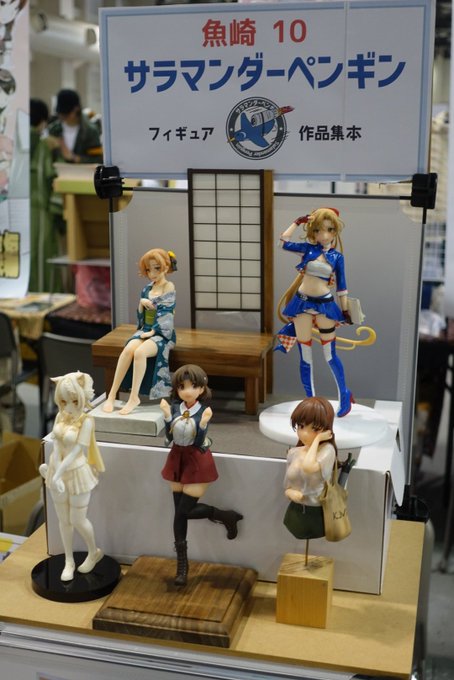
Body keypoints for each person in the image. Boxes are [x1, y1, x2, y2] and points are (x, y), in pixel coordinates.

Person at [160, 364, 243, 586]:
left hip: (196, 459)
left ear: (201, 388)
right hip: (176, 459)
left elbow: (197, 441)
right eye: (182, 387)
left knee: (182, 512)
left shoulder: (203, 410)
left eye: (193, 386)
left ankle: (224, 516)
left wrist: (204, 423)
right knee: (179, 514)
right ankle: (182, 566)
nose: (187, 391)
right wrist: (167, 416)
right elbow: (170, 436)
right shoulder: (175, 408)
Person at [276, 207, 354, 417]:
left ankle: (344, 395)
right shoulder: (307, 249)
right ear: (313, 231)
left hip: (325, 306)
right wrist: (296, 222)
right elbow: (282, 242)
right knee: (306, 355)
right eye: (318, 230)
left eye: (329, 230)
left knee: (330, 355)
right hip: (302, 304)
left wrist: (345, 310)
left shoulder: (337, 257)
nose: (324, 235)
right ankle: (310, 402)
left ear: (335, 231)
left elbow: (342, 287)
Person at [39, 371, 105, 582]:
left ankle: (93, 551)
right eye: (64, 401)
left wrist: (58, 473)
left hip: (77, 473)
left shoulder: (87, 421)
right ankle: (69, 560)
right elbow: (57, 444)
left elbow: (77, 450)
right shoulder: (60, 416)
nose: (68, 406)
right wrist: (55, 469)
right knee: (64, 520)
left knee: (77, 519)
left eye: (74, 401)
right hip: (56, 470)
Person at [102, 248, 177, 415]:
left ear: (165, 267)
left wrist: (153, 332)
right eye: (149, 270)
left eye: (156, 268)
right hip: (146, 328)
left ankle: (133, 397)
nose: (152, 274)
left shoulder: (169, 286)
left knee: (140, 353)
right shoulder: (147, 288)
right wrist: (141, 303)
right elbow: (141, 314)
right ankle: (112, 394)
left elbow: (167, 313)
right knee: (128, 349)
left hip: (162, 333)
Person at [283, 397, 337, 540]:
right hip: (295, 511)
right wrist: (290, 493)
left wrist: (317, 440)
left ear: (326, 429)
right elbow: (287, 485)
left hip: (316, 513)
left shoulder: (327, 451)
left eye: (315, 429)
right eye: (301, 426)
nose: (305, 434)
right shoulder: (294, 453)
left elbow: (308, 467)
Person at [29, 98, 59, 292]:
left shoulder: (8, 143)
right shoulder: (46, 146)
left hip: (10, 212)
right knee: (41, 258)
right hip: (40, 213)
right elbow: (53, 180)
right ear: (42, 121)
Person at [47, 89, 103, 164]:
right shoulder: (54, 130)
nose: (62, 116)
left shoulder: (90, 131)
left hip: (82, 171)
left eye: (66, 114)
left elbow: (98, 159)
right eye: (60, 113)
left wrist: (74, 158)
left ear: (76, 109)